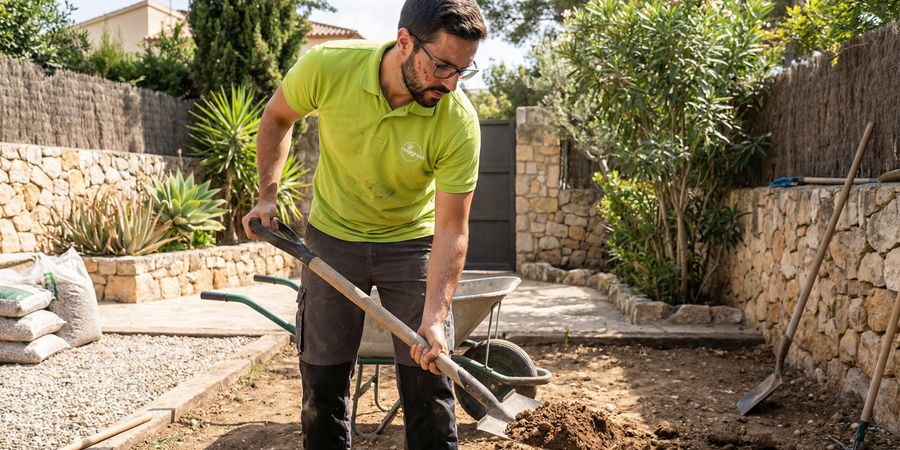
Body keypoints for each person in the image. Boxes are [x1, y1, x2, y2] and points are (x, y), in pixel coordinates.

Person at [241, 1, 487, 448]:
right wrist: (267, 196)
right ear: (405, 41)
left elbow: (452, 228)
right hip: (332, 238)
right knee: (322, 385)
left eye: (462, 70)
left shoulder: (457, 122)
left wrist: (435, 316)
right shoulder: (328, 67)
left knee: (430, 385)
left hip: (412, 244)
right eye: (442, 66)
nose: (450, 83)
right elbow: (277, 117)